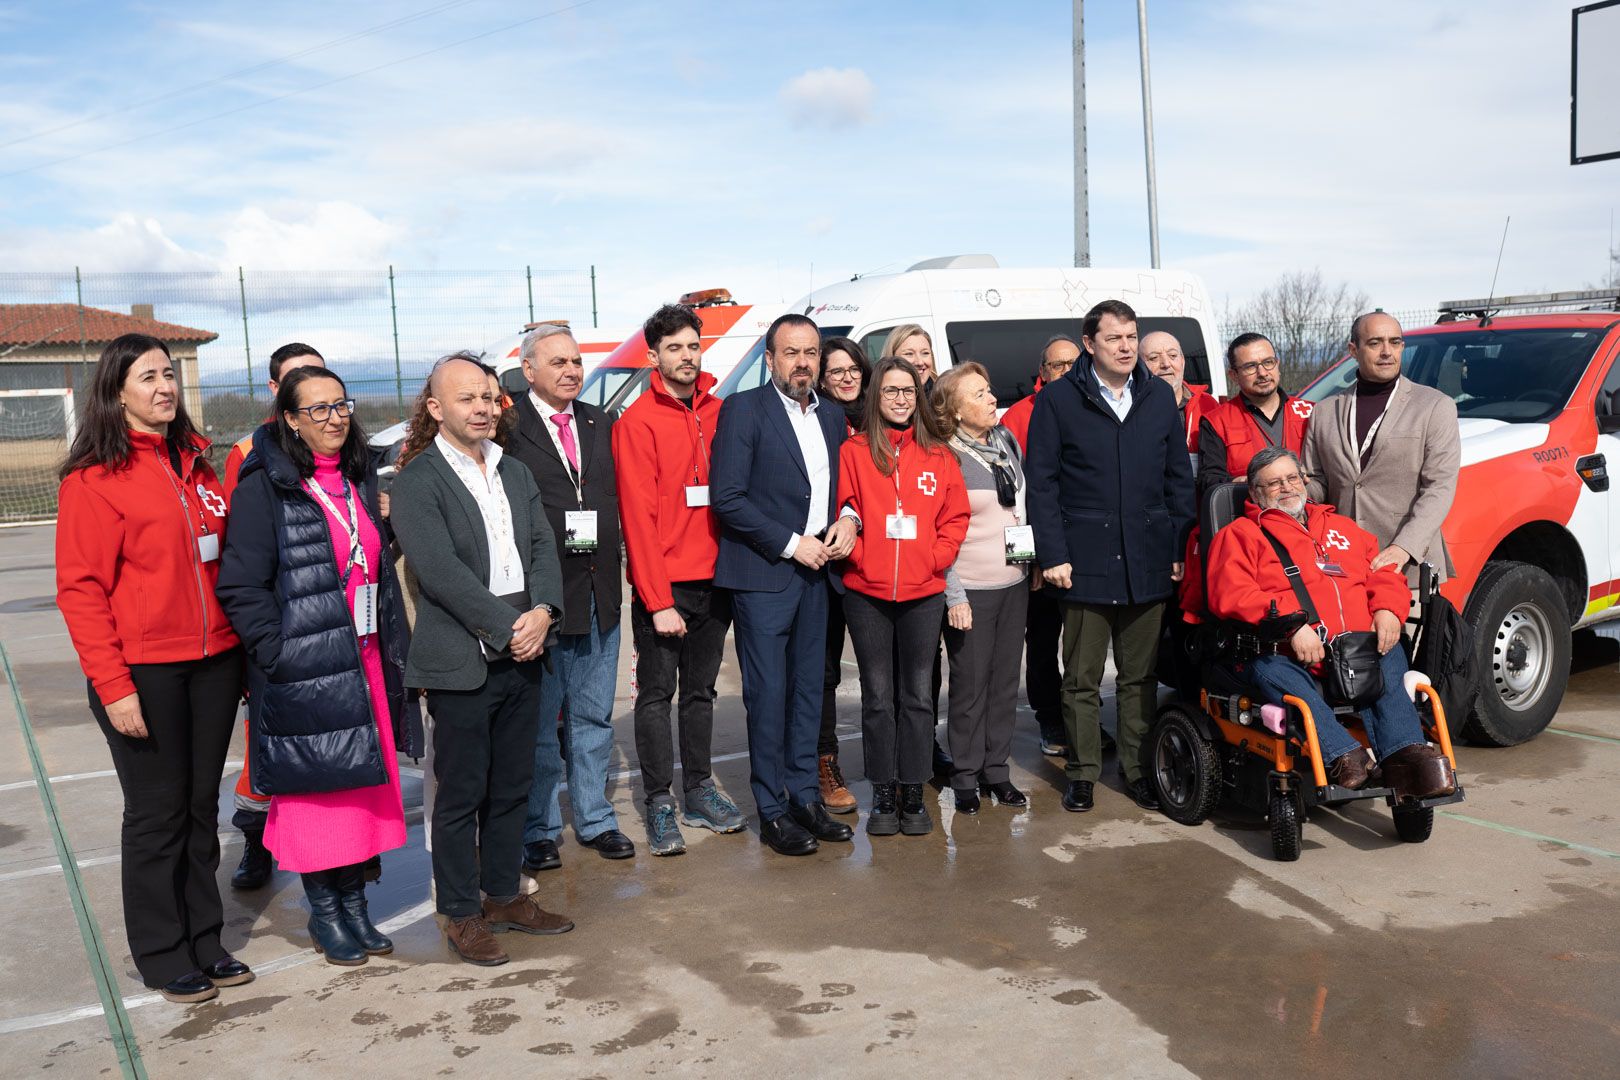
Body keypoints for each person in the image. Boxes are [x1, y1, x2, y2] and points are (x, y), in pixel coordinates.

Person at [55, 333, 250, 1003]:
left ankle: (205, 937)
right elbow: (80, 590)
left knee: (200, 807)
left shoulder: (197, 463)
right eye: (148, 377)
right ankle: (162, 952)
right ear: (116, 394)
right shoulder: (94, 480)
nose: (165, 386)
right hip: (146, 672)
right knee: (156, 814)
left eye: (169, 374)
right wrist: (114, 688)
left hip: (217, 663)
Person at [216, 367, 416, 967]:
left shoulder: (356, 479)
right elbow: (241, 585)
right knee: (315, 798)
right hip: (304, 668)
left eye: (341, 404)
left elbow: (370, 560)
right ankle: (326, 914)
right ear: (291, 421)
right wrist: (276, 653)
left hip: (366, 661)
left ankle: (356, 907)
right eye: (319, 409)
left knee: (359, 792)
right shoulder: (264, 487)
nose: (335, 417)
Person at [390, 353, 573, 966]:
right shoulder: (416, 481)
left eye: (490, 398)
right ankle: (462, 914)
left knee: (513, 784)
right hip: (464, 656)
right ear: (437, 409)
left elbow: (544, 546)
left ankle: (503, 895)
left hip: (526, 645)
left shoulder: (515, 472)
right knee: (462, 793)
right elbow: (439, 573)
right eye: (467, 398)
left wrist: (544, 612)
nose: (483, 408)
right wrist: (507, 627)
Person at [1205, 447, 1458, 797]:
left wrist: (1386, 609)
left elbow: (1383, 573)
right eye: (1274, 483)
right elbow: (1230, 594)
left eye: (1292, 478)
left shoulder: (1343, 527)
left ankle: (1404, 756)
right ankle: (1343, 756)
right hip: (1287, 653)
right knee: (1272, 670)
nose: (1287, 488)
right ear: (1254, 493)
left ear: (1304, 481)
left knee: (1392, 650)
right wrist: (1292, 626)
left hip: (1357, 649)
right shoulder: (1240, 535)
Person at [1026, 299, 1195, 814]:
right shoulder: (1058, 400)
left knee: (1138, 678)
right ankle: (1081, 773)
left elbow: (1177, 482)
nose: (1125, 347)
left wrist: (1175, 547)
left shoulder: (1159, 399)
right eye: (1114, 338)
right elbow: (1043, 485)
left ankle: (1140, 771)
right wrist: (1051, 553)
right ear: (1089, 344)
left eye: (1130, 337)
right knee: (1080, 678)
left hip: (1147, 560)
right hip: (1082, 563)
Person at [711, 313, 859, 856]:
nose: (803, 362)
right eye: (791, 352)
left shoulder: (832, 418)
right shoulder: (744, 410)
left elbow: (844, 488)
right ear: (769, 359)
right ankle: (771, 809)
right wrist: (792, 542)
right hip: (766, 575)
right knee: (768, 696)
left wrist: (848, 518)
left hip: (818, 576)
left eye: (811, 352)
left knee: (806, 696)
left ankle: (804, 798)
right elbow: (728, 498)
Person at [613, 304, 746, 856]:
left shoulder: (722, 413)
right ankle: (660, 801)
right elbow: (637, 521)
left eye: (693, 346)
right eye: (674, 348)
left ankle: (698, 790)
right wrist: (657, 598)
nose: (687, 356)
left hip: (717, 581)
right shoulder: (636, 422)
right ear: (654, 356)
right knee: (656, 696)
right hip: (664, 588)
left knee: (701, 693)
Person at [508, 324, 634, 869]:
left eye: (576, 362)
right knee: (541, 726)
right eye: (557, 362)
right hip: (541, 598)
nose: (571, 371)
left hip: (598, 591)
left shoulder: (600, 422)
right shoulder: (507, 424)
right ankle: (536, 827)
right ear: (528, 369)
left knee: (592, 715)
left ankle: (595, 818)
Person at [837, 358, 969, 835]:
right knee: (877, 698)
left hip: (923, 592)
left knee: (916, 696)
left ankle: (914, 791)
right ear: (875, 398)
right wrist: (862, 559)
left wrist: (935, 556)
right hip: (867, 594)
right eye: (890, 391)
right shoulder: (852, 451)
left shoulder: (939, 455)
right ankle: (884, 794)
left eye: (908, 391)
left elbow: (955, 517)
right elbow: (843, 507)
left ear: (918, 396)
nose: (899, 399)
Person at [221, 340, 327, 890]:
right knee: (261, 751)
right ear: (275, 393)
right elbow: (240, 559)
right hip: (278, 635)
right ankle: (255, 843)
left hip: (327, 632)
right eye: (294, 381)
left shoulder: (341, 450)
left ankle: (337, 870)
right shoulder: (247, 453)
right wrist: (262, 643)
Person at [1303, 312, 1461, 585]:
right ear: (1354, 349)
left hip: (1408, 569)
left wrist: (1404, 548)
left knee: (1407, 632)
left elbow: (1439, 488)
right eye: (1375, 343)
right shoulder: (1323, 412)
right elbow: (1318, 483)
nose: (1387, 352)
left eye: (1395, 342)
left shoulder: (1435, 406)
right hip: (1343, 566)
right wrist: (1293, 489)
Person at [934, 363, 1029, 814]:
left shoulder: (1004, 441)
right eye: (979, 395)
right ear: (953, 412)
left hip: (1014, 583)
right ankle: (966, 775)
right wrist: (954, 596)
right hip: (971, 588)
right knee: (970, 687)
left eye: (990, 391)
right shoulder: (945, 456)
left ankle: (998, 772)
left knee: (1006, 683)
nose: (992, 399)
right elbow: (941, 533)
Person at [1000, 335, 1080, 757]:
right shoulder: (1019, 417)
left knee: (1083, 642)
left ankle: (1080, 717)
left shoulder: (1090, 404)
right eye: (1057, 366)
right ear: (1042, 373)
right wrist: (1026, 560)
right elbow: (1011, 499)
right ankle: (1050, 717)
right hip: (1039, 551)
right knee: (1044, 637)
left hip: (1083, 546)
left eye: (1072, 363)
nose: (1065, 371)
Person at [814, 336, 872, 813]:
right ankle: (825, 763)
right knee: (825, 673)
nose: (847, 377)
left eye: (853, 368)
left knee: (887, 670)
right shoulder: (815, 423)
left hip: (882, 564)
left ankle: (899, 758)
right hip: (830, 566)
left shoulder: (886, 417)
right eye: (836, 371)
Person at [1198, 333, 1314, 497]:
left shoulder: (1310, 412)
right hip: (1249, 516)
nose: (1262, 373)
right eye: (1250, 366)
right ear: (1233, 376)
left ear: (1277, 365)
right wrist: (1243, 483)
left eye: (1268, 362)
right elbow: (1209, 480)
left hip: (1310, 513)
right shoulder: (1217, 421)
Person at [1141, 330, 1217, 457]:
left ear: (1183, 361)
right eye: (1154, 358)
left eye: (1173, 356)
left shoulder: (1207, 404)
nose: (1166, 364)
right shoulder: (1131, 408)